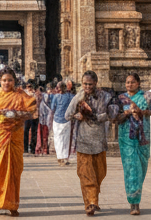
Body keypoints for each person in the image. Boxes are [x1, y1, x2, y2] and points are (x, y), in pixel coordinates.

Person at [0, 70, 38, 217]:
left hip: (14, 135)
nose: (7, 83)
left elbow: (32, 112)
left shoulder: (21, 95)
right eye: (4, 80)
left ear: (14, 81)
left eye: (10, 80)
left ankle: (12, 203)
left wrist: (16, 114)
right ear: (0, 81)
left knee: (14, 170)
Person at [65, 71, 116, 216]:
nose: (87, 86)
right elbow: (67, 115)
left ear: (96, 83)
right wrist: (77, 115)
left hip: (99, 140)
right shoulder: (79, 96)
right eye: (85, 84)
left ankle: (93, 199)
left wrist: (96, 116)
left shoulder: (105, 97)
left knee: (99, 173)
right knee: (86, 174)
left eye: (90, 84)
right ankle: (90, 203)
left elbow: (111, 114)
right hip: (83, 140)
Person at [114, 73, 151, 216]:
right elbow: (115, 118)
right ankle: (134, 204)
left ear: (138, 83)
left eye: (132, 82)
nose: (129, 85)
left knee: (141, 169)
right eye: (127, 82)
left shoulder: (147, 96)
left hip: (143, 138)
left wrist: (144, 112)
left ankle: (136, 196)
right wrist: (127, 112)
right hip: (126, 139)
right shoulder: (120, 99)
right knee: (131, 169)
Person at [48, 82, 74, 165]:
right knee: (65, 139)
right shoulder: (69, 96)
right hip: (67, 119)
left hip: (57, 119)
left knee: (58, 139)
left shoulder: (56, 97)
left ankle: (60, 158)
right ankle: (65, 157)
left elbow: (52, 108)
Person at [22, 82, 39, 154]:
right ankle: (25, 148)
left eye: (30, 86)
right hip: (27, 114)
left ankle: (32, 148)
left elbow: (38, 102)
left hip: (34, 114)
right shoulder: (24, 94)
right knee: (25, 130)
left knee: (34, 131)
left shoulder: (36, 94)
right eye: (28, 86)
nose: (29, 88)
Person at [37, 84, 52, 155]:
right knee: (40, 135)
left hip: (46, 119)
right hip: (40, 119)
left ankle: (45, 149)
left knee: (45, 135)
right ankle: (41, 148)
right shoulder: (38, 100)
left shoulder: (47, 98)